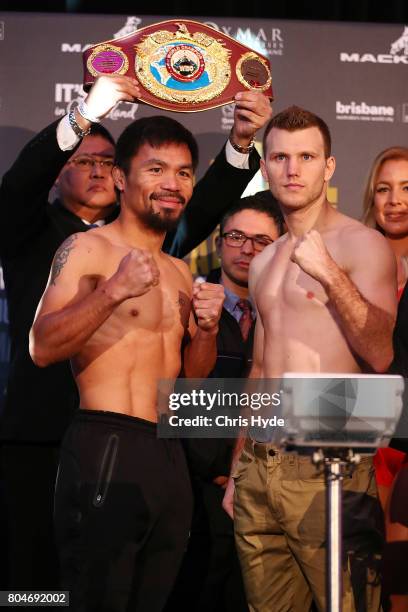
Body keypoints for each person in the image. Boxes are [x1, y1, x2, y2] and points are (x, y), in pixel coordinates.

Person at [0, 74, 271, 591]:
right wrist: (83, 115)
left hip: (154, 448)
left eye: (107, 160)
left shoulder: (165, 255)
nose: (99, 170)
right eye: (87, 159)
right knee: (36, 589)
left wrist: (240, 144)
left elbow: (190, 204)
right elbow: (18, 187)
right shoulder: (41, 229)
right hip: (46, 435)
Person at [28, 114, 225, 611]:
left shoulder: (181, 271)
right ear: (121, 177)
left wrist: (206, 330)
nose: (172, 184)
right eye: (156, 169)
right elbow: (42, 346)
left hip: (167, 454)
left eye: (183, 173)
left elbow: (191, 382)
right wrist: (114, 291)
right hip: (105, 444)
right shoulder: (87, 248)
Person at [223, 106, 397, 612]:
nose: (292, 169)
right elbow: (259, 369)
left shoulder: (363, 245)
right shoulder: (262, 261)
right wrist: (239, 465)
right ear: (266, 165)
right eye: (279, 156)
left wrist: (328, 274)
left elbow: (382, 353)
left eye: (306, 156)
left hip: (329, 461)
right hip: (261, 465)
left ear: (330, 167)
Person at [167, 193, 283, 612]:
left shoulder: (292, 311)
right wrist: (218, 469)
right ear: (218, 243)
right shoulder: (187, 302)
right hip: (199, 490)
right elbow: (177, 393)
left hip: (273, 490)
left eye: (262, 241)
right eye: (236, 236)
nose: (247, 249)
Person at [362, 147, 408, 611]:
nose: (395, 200)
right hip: (360, 438)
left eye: (407, 188)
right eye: (384, 188)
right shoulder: (350, 262)